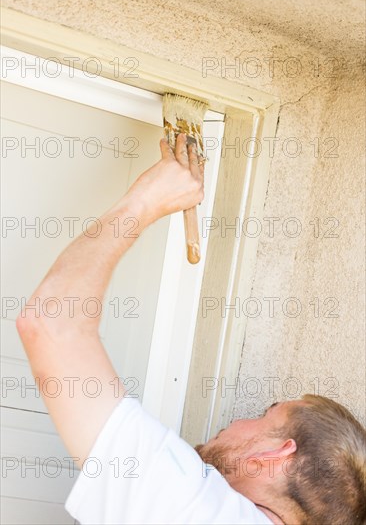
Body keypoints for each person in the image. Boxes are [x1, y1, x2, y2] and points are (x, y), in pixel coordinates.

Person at [16, 134, 366, 525]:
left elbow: (52, 323)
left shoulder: (194, 508)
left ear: (275, 455)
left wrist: (147, 200)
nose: (235, 423)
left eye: (264, 415)